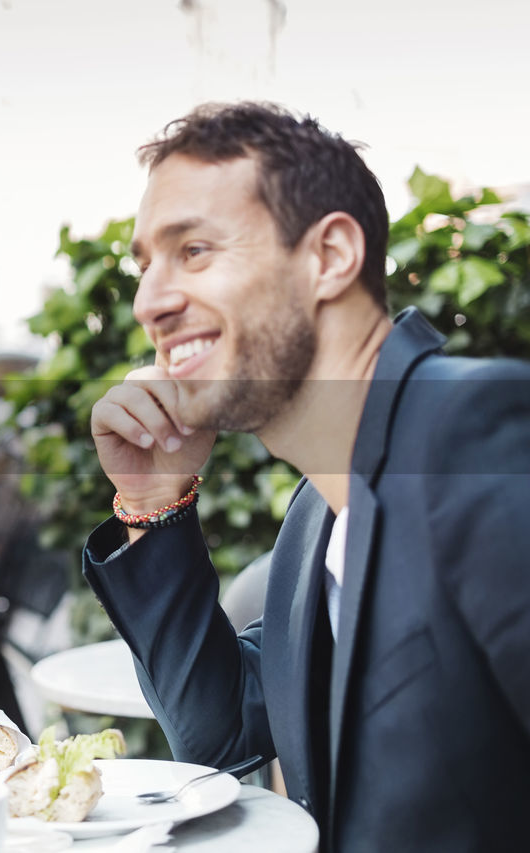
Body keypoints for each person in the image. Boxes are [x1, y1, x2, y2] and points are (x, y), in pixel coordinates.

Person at [84, 103, 529, 852]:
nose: (148, 302)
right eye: (145, 265)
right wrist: (155, 500)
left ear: (329, 257)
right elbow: (220, 733)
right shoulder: (315, 515)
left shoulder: (469, 433)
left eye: (192, 250)